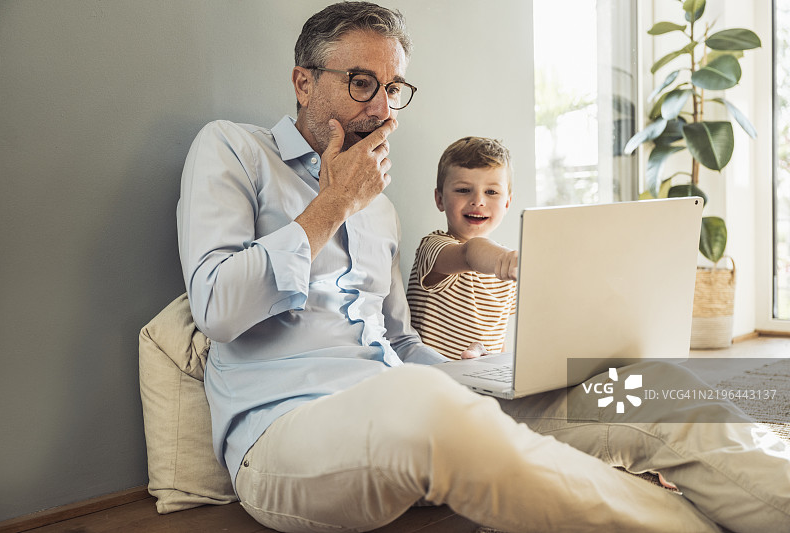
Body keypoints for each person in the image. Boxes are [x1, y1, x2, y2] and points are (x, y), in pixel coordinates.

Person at [177, 2, 790, 532]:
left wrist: (496, 379)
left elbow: (397, 341)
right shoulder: (233, 149)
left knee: (651, 389)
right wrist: (336, 203)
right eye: (362, 82)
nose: (381, 108)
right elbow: (217, 308)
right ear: (303, 82)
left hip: (412, 404)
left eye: (394, 89)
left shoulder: (380, 209)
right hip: (286, 439)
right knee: (422, 400)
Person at [407, 136, 518, 360]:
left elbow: (498, 336)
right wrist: (507, 260)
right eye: (463, 190)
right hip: (432, 377)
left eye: (491, 192)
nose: (478, 200)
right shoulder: (434, 247)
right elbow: (470, 252)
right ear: (439, 199)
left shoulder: (507, 268)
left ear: (507, 203)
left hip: (480, 379)